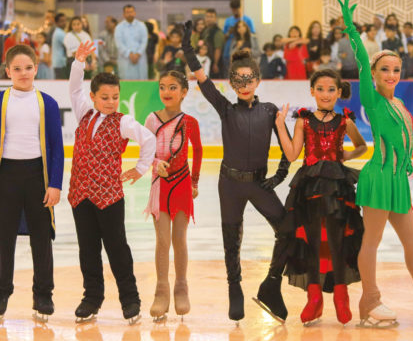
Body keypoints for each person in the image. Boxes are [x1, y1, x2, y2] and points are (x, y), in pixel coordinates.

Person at [338, 0, 413, 327]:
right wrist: (351, 27)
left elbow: (404, 148)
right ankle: (370, 301)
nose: (391, 74)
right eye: (384, 69)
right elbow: (360, 59)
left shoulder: (401, 103)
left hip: (398, 182)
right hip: (377, 178)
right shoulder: (373, 101)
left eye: (396, 70)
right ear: (373, 73)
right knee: (371, 242)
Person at [182, 21, 291, 323]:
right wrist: (188, 49)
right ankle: (235, 288)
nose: (243, 84)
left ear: (257, 79)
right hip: (229, 183)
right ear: (231, 84)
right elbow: (203, 80)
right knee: (232, 240)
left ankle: (271, 284)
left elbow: (287, 147)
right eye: (238, 80)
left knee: (287, 230)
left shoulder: (270, 110)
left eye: (249, 79)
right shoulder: (225, 108)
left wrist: (280, 176)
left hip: (259, 183)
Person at [68, 41, 156, 325]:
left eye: (115, 97)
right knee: (88, 248)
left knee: (117, 248)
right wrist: (79, 62)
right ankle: (91, 298)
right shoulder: (84, 113)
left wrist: (141, 168)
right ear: (93, 97)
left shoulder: (122, 122)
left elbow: (149, 139)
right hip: (80, 194)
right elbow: (73, 88)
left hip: (108, 196)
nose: (110, 102)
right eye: (104, 97)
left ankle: (130, 299)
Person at [275, 69, 367, 325]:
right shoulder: (303, 121)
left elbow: (361, 146)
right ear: (312, 91)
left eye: (331, 90)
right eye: (320, 89)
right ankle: (314, 296)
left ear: (339, 92)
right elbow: (293, 154)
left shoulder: (344, 120)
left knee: (337, 241)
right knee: (313, 242)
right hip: (310, 186)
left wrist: (345, 156)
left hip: (338, 185)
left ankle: (341, 294)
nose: (325, 94)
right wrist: (280, 126)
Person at [0, 45, 64, 322]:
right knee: (4, 238)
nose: (23, 73)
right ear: (8, 71)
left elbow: (57, 147)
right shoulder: (1, 100)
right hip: (6, 176)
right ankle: (2, 292)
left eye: (28, 68)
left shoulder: (47, 102)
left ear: (36, 69)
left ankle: (43, 294)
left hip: (38, 176)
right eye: (17, 69)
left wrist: (56, 184)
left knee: (41, 238)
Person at [145, 70, 202, 323]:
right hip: (159, 184)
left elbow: (198, 150)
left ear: (184, 92)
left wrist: (195, 181)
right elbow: (145, 152)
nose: (166, 92)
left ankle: (181, 286)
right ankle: (161, 290)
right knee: (162, 241)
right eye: (162, 87)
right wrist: (155, 163)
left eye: (172, 88)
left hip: (181, 185)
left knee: (179, 239)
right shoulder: (151, 120)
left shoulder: (189, 121)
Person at [114, 4, 149, 80]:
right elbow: (119, 44)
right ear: (123, 14)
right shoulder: (119, 27)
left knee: (142, 83)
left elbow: (144, 41)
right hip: (125, 59)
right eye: (127, 12)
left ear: (135, 13)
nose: (130, 14)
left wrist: (138, 54)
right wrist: (129, 54)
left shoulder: (142, 26)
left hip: (140, 58)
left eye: (131, 12)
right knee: (126, 83)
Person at [223, 0, 255, 75]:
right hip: (230, 47)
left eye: (236, 9)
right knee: (230, 71)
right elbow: (224, 36)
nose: (235, 11)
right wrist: (230, 32)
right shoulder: (228, 20)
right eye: (233, 10)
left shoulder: (247, 20)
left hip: (245, 50)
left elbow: (252, 33)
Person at [201, 9, 226, 79]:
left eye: (211, 17)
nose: (209, 19)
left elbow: (218, 49)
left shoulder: (218, 32)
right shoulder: (205, 30)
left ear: (215, 19)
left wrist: (215, 63)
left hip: (213, 63)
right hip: (205, 61)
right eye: (207, 16)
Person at [52, 13, 68, 79]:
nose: (64, 23)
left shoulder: (59, 32)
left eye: (65, 20)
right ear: (56, 23)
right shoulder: (60, 33)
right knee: (62, 84)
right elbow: (69, 46)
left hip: (58, 63)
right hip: (60, 63)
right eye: (62, 21)